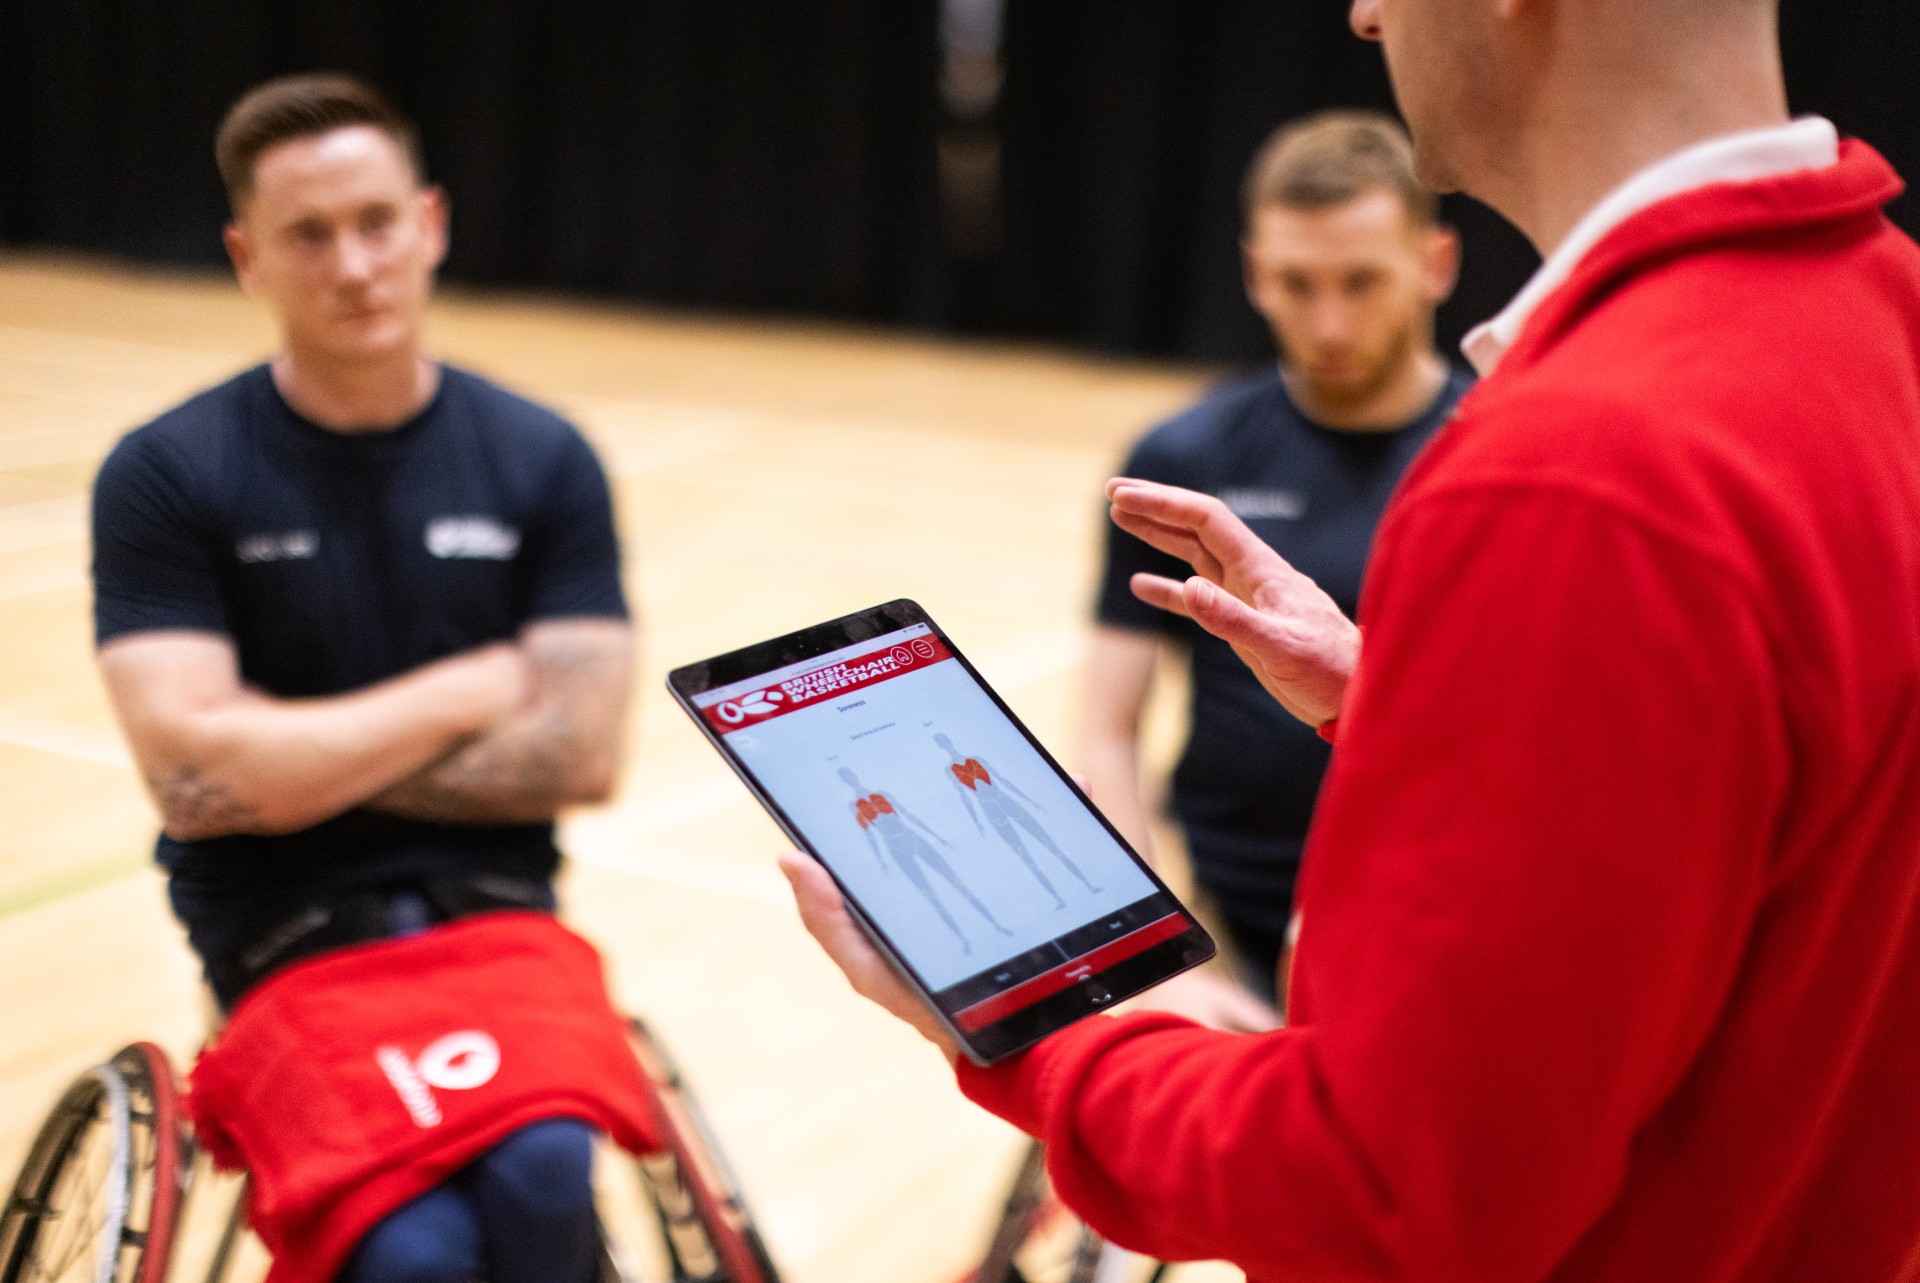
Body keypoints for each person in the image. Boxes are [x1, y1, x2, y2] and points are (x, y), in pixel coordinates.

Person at [783, 0, 1920, 1278]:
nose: (1368, 13)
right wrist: (1408, 704)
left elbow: (1383, 1201)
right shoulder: (1884, 306)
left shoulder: (1574, 473)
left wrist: (1030, 1029)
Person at [90, 75, 639, 1283]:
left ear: (431, 223)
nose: (354, 263)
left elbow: (582, 756)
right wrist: (471, 686)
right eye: (308, 234)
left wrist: (285, 756)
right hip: (279, 925)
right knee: (410, 1253)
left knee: (548, 1173)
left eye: (378, 222)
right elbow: (198, 781)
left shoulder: (543, 457)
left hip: (495, 903)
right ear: (247, 255)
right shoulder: (167, 475)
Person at [1080, 111, 1469, 1008]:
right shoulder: (1186, 456)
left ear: (1435, 264)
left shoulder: (1502, 454)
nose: (1328, 322)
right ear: (1255, 272)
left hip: (1424, 931)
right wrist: (1161, 953)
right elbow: (1108, 727)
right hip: (1218, 923)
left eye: (1362, 282)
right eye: (1297, 284)